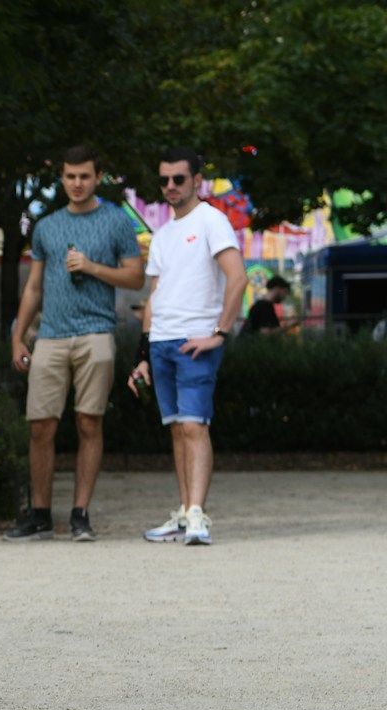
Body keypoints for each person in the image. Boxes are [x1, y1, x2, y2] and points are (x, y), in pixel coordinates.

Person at [4, 145, 144, 542]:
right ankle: (41, 513)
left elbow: (135, 277)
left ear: (98, 177)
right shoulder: (47, 226)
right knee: (40, 425)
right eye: (70, 176)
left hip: (96, 332)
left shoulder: (116, 221)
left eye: (85, 176)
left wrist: (92, 267)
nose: (77, 183)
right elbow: (34, 287)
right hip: (50, 334)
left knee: (88, 421)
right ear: (62, 178)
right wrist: (18, 337)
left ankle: (81, 513)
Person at [128, 147, 248, 546]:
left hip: (196, 341)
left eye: (179, 179)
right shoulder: (163, 234)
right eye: (164, 180)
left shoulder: (212, 220)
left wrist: (220, 333)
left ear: (197, 180)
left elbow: (239, 278)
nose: (170, 187)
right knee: (178, 429)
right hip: (161, 341)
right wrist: (142, 357)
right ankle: (183, 514)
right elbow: (154, 295)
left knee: (195, 426)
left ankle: (198, 514)